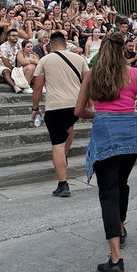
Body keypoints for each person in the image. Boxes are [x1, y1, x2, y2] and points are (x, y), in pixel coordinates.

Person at [74, 32, 137, 272]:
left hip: (105, 136)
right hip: (130, 137)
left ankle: (116, 259)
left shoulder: (91, 75)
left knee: (108, 194)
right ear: (122, 51)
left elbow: (78, 110)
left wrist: (97, 115)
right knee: (121, 184)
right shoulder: (135, 74)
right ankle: (120, 226)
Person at [31, 32, 89, 198]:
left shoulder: (45, 59)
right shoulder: (79, 59)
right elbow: (87, 83)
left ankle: (63, 184)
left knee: (57, 143)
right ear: (66, 44)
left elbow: (37, 87)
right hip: (75, 105)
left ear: (50, 45)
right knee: (69, 129)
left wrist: (35, 108)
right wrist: (89, 104)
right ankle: (62, 160)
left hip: (56, 106)